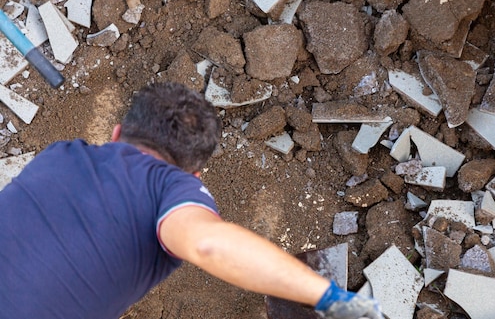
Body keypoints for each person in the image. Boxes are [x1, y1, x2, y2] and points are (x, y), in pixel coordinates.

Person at [0, 82, 382, 319]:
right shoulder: (171, 188)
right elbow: (207, 243)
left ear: (117, 133)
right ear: (194, 175)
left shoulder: (60, 154)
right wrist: (331, 297)